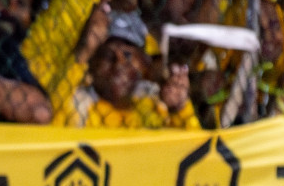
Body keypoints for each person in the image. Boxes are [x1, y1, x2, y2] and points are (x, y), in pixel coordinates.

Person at [50, 7, 199, 128]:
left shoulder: (154, 105)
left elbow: (194, 150)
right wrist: (84, 53)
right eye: (108, 55)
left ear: (143, 63)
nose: (119, 64)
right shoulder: (77, 104)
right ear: (92, 62)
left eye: (128, 55)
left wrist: (180, 109)